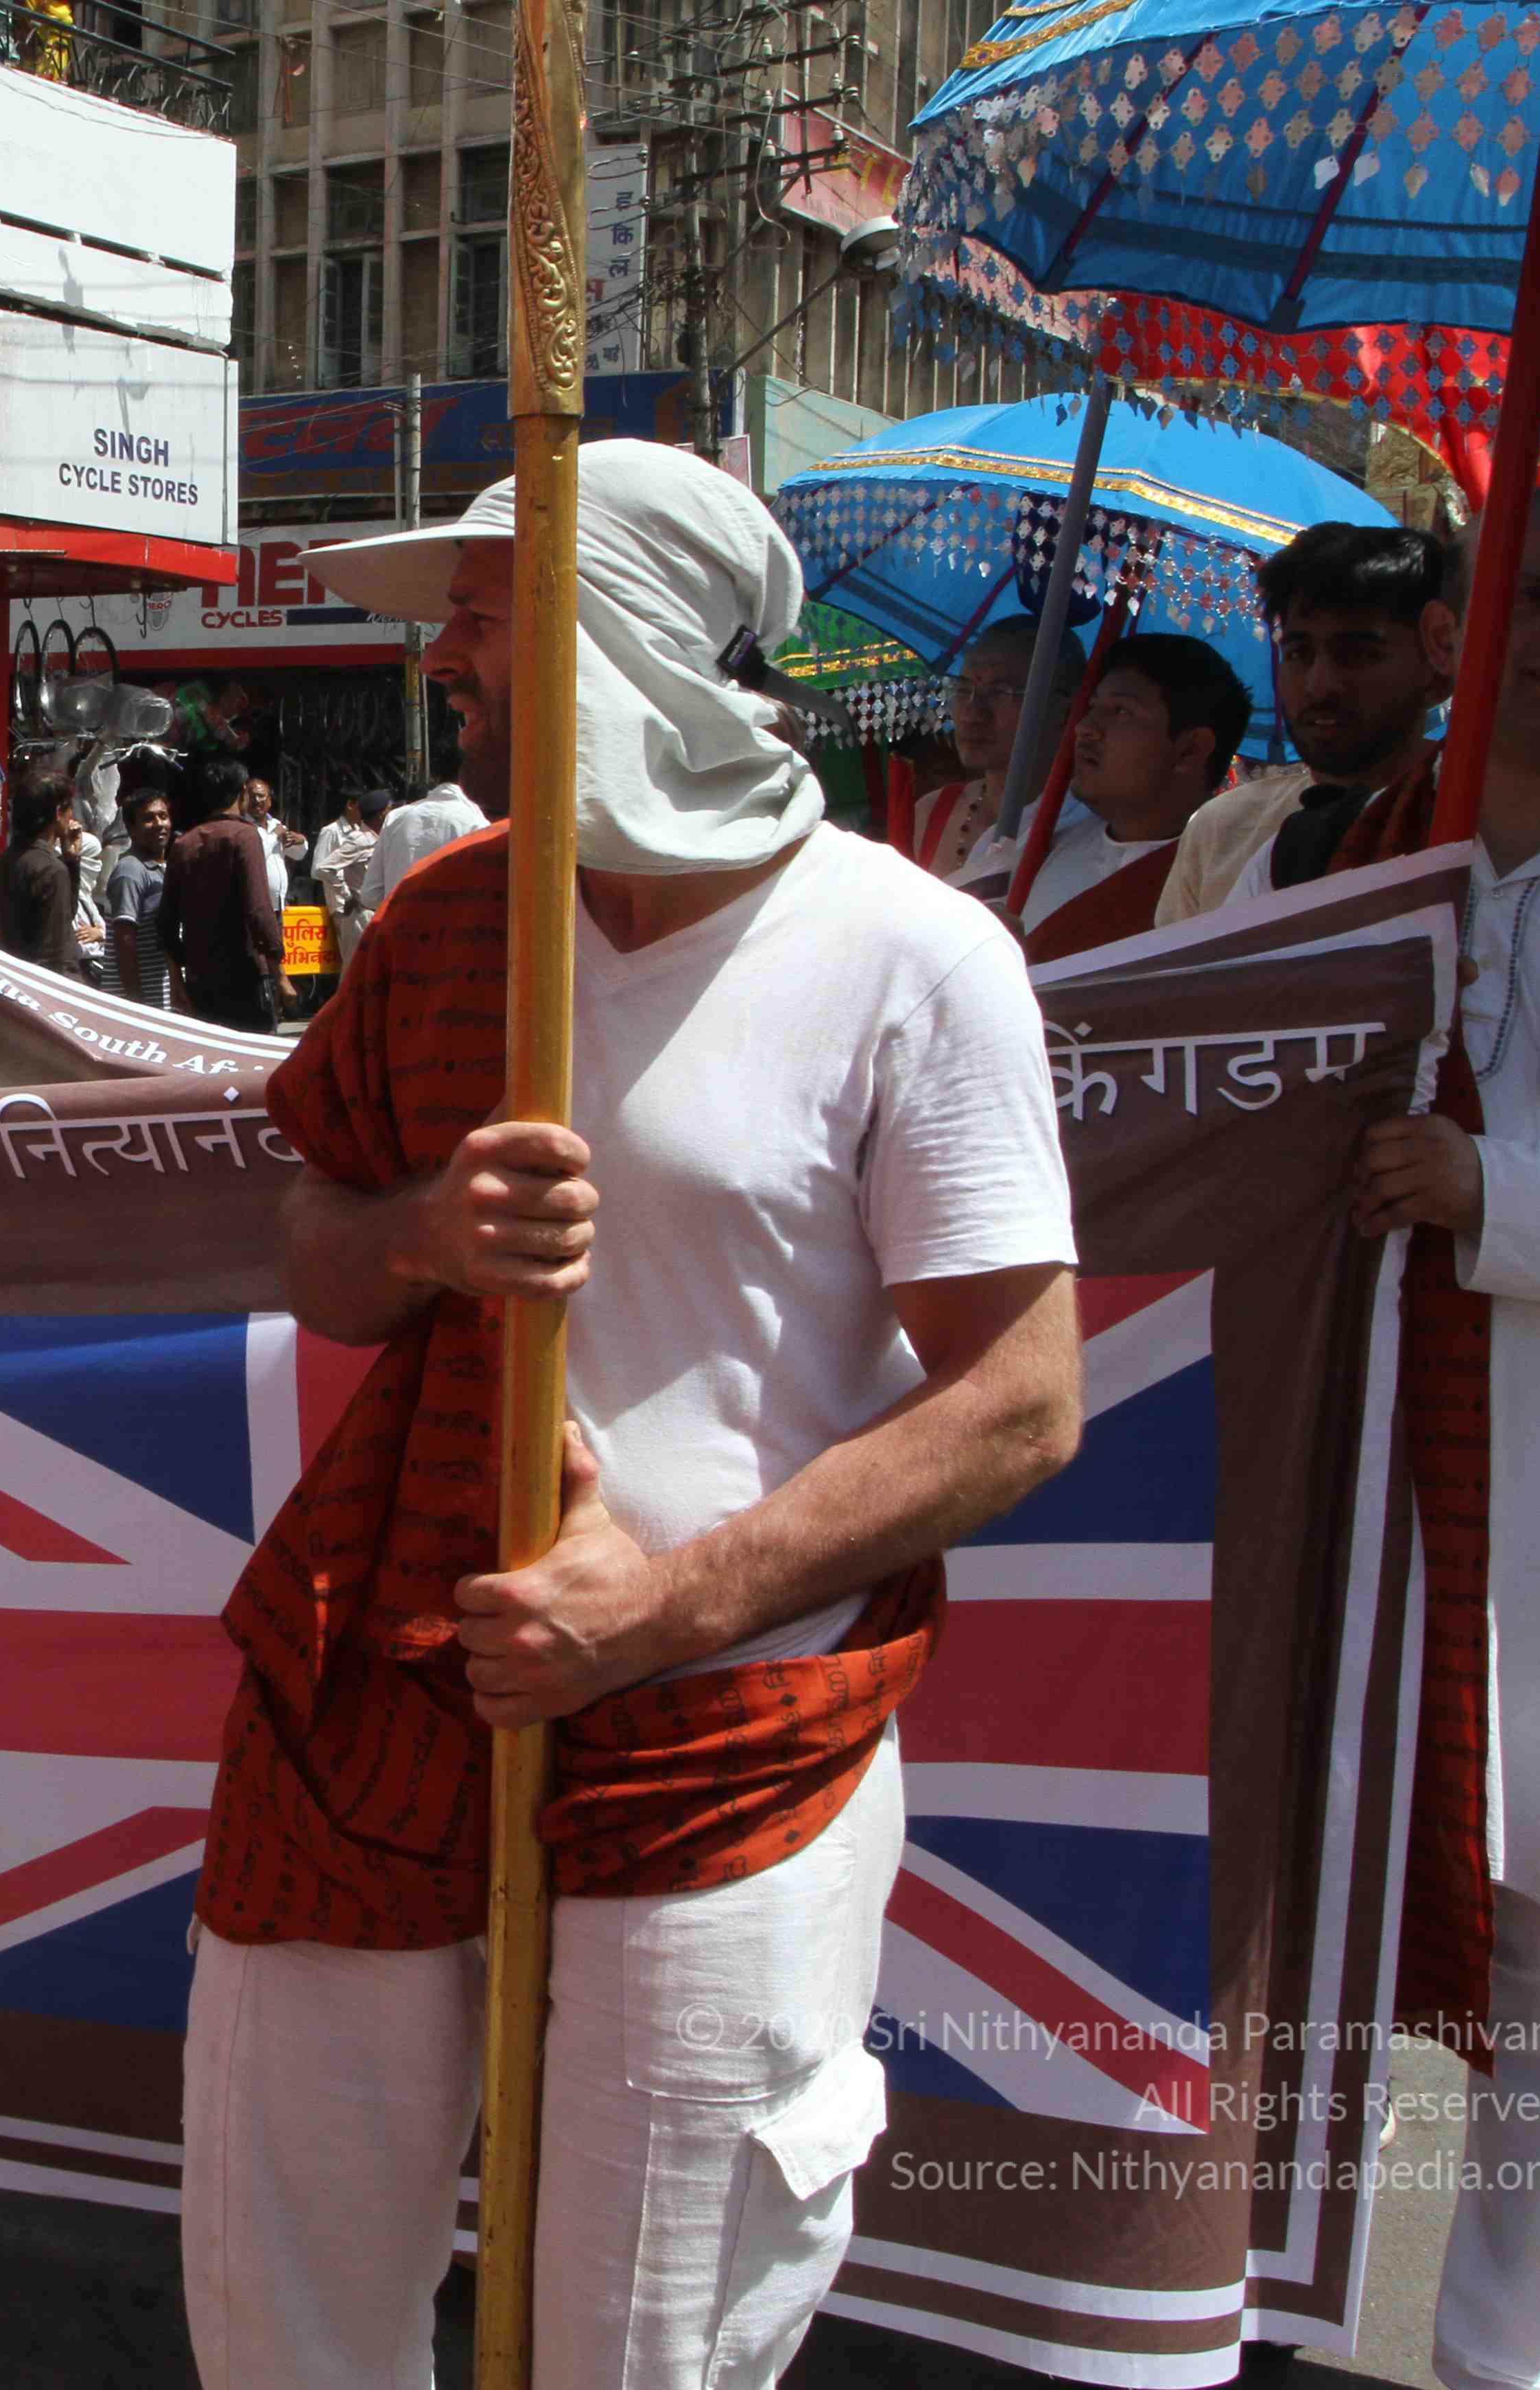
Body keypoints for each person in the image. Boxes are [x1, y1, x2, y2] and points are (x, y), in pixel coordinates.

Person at [187, 443, 1083, 2389]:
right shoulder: (447, 920)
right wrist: (422, 1232)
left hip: (721, 1741)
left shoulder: (913, 957)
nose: (447, 661)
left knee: (639, 2348)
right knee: (277, 2320)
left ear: (625, 636)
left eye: (484, 615)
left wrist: (659, 1610)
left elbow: (1018, 1405)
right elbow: (318, 1252)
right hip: (381, 1687)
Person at [1271, 486, 1540, 2390]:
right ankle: (1233, 2326)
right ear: (1455, 632)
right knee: (1300, 1989)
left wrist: (1488, 1191)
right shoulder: (1333, 870)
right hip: (1356, 1505)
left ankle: (1512, 2371)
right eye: (1535, 595)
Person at [1158, 524, 1457, 925]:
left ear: (1438, 664)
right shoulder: (1223, 831)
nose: (1319, 685)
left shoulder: (1473, 823)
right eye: (1299, 654)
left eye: (1357, 654)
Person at [954, 632, 1250, 957]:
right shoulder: (1027, 843)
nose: (1086, 728)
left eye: (1121, 711)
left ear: (1190, 750)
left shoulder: (1232, 880)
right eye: (1093, 707)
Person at [908, 617, 1083, 878]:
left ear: (1063, 709)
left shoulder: (1089, 825)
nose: (972, 714)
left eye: (1000, 692)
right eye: (963, 689)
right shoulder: (930, 814)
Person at [158, 754, 286, 1032]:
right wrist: (280, 974)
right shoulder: (245, 836)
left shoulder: (183, 844)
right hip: (245, 976)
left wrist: (178, 977)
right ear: (242, 793)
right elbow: (259, 911)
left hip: (200, 977)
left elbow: (166, 921)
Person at [0, 761, 88, 978]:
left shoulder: (4, 861)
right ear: (58, 813)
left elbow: (64, 916)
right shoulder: (51, 870)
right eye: (69, 808)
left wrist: (71, 860)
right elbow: (54, 954)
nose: (72, 816)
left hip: (15, 978)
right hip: (49, 984)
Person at [362, 777, 485, 916]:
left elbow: (370, 896)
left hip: (399, 923)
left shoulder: (396, 818)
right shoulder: (477, 823)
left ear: (435, 777)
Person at [102, 782, 174, 1009]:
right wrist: (137, 1005)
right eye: (148, 819)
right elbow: (124, 940)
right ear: (131, 829)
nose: (159, 824)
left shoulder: (161, 868)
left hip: (159, 1000)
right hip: (140, 1003)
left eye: (163, 816)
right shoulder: (131, 870)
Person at [314, 784, 391, 962]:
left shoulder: (382, 839)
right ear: (381, 815)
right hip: (361, 917)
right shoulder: (360, 840)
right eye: (389, 810)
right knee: (355, 970)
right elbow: (323, 869)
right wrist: (348, 896)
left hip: (380, 914)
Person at [246, 775, 308, 909]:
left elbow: (298, 855)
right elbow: (255, 856)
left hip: (278, 904)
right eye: (252, 796)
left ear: (269, 801)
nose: (257, 800)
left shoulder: (276, 824)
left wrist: (300, 841)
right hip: (256, 905)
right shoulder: (243, 827)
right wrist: (275, 836)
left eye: (261, 796)